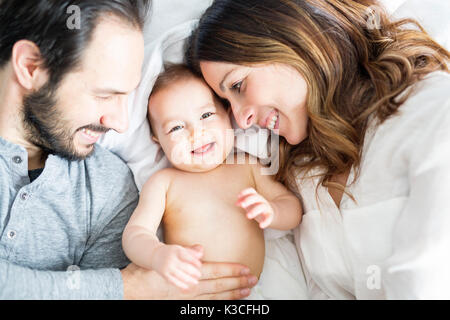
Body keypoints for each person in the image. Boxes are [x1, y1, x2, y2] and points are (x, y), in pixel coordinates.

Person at [186, 0, 450, 299]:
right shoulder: (304, 176)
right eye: (227, 105)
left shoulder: (433, 112)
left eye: (238, 85)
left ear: (293, 39)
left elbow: (426, 279)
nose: (242, 120)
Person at [0, 0, 256, 300]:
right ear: (31, 66)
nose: (121, 124)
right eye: (105, 95)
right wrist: (126, 287)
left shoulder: (108, 188)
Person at [122, 64, 307, 299]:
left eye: (206, 115)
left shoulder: (247, 167)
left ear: (228, 117)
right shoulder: (164, 182)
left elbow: (293, 208)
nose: (196, 133)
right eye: (176, 127)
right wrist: (157, 255)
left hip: (254, 292)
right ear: (157, 140)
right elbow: (135, 234)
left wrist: (273, 211)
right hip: (193, 296)